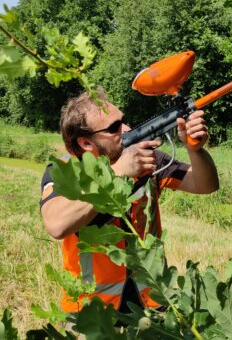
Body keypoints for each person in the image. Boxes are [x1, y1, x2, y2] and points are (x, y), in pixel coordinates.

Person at [39, 88, 219, 316]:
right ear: (86, 143)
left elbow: (206, 185)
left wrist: (195, 150)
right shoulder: (64, 170)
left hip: (152, 300)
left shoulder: (146, 157)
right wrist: (118, 172)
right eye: (114, 128)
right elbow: (56, 225)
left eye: (123, 121)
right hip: (93, 309)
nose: (127, 129)